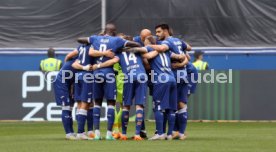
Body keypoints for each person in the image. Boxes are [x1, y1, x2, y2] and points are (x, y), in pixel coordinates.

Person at [77, 23, 141, 140]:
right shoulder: (116, 40)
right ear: (114, 31)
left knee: (97, 102)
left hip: (97, 73)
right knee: (111, 103)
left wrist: (93, 42)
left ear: (104, 30)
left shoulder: (95, 38)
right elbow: (135, 44)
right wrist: (123, 48)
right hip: (109, 74)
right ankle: (108, 134)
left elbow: (79, 39)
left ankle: (96, 134)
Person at [147, 24, 190, 140]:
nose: (157, 34)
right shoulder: (178, 41)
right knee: (179, 105)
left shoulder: (165, 44)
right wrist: (181, 63)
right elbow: (188, 53)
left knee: (161, 105)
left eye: (159, 32)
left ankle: (161, 132)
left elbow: (153, 53)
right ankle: (177, 133)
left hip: (171, 75)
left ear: (166, 31)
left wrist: (148, 47)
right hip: (183, 74)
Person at [53, 49, 78, 140]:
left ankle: (71, 132)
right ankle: (68, 133)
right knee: (66, 107)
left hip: (69, 83)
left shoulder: (80, 58)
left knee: (70, 107)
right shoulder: (80, 59)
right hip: (61, 83)